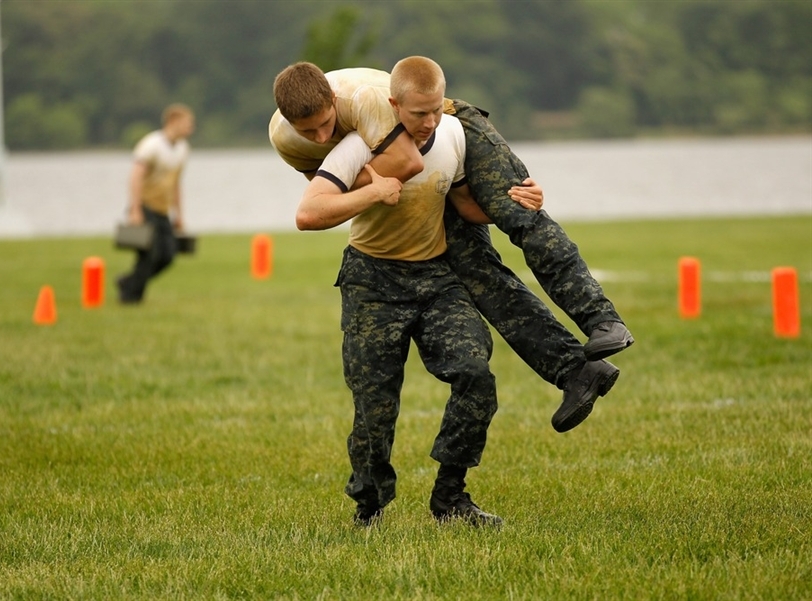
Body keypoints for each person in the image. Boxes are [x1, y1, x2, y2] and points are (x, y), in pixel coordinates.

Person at [271, 63, 622, 433]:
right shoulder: (286, 139)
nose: (322, 136)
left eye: (326, 124)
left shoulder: (364, 101)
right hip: (416, 157)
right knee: (482, 277)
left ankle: (602, 320)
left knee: (522, 214)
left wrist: (367, 177)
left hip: (444, 123)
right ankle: (577, 372)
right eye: (308, 132)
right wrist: (365, 177)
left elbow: (404, 161)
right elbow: (331, 183)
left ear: (332, 100)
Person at [295, 57, 506, 527]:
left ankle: (451, 499)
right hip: (372, 281)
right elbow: (309, 212)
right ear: (395, 108)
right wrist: (373, 190)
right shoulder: (355, 147)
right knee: (374, 406)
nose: (428, 122)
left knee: (475, 373)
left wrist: (519, 199)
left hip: (437, 280)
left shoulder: (453, 135)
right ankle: (368, 508)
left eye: (435, 111)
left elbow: (471, 206)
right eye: (417, 114)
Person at [116, 103, 194, 304]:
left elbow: (176, 184)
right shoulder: (151, 145)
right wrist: (134, 210)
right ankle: (131, 298)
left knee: (167, 255)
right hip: (144, 207)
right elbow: (135, 178)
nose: (190, 128)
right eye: (187, 123)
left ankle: (128, 282)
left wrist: (179, 215)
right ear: (173, 122)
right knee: (148, 255)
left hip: (163, 210)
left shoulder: (183, 149)